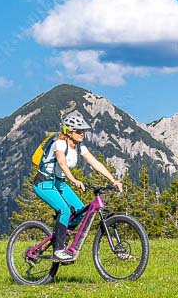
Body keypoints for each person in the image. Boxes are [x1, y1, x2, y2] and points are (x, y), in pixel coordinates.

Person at [33, 110, 123, 262]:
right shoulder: (59, 143)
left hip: (59, 183)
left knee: (80, 211)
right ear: (69, 132)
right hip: (44, 183)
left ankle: (62, 240)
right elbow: (62, 162)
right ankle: (58, 250)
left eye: (83, 131)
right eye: (79, 131)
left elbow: (95, 163)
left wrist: (113, 179)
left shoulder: (80, 147)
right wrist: (74, 179)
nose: (82, 133)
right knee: (64, 210)